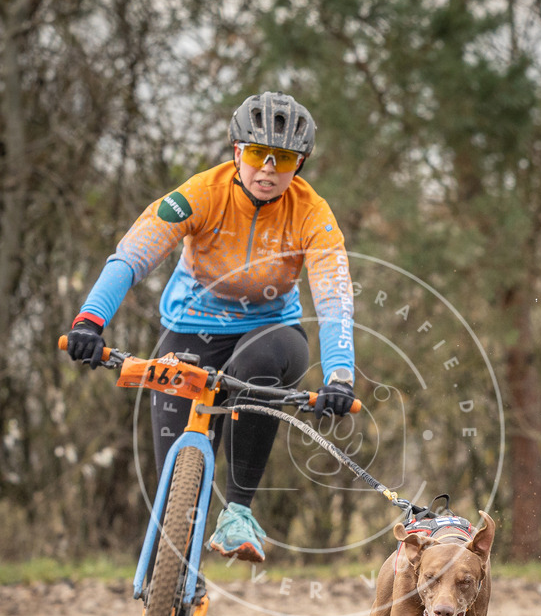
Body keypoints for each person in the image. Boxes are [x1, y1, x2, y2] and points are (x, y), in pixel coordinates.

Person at [66, 91, 355, 562]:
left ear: (298, 165)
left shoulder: (312, 213)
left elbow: (335, 298)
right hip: (189, 329)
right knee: (174, 487)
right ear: (237, 152)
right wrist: (90, 320)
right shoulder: (202, 192)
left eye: (283, 160)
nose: (268, 169)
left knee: (256, 363)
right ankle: (174, 572)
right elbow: (134, 254)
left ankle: (238, 511)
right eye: (259, 155)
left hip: (273, 331)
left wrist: (340, 374)